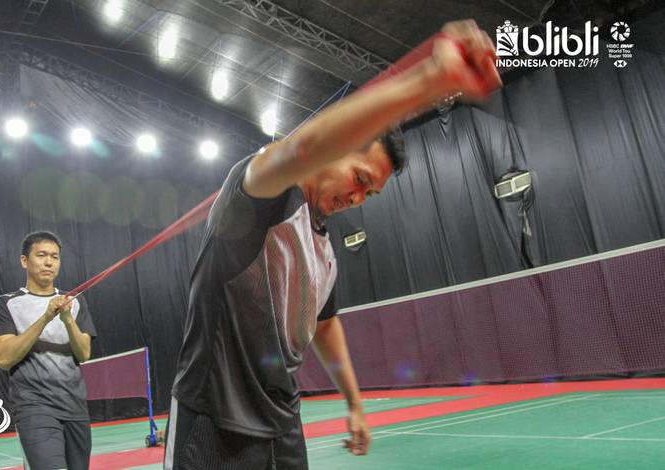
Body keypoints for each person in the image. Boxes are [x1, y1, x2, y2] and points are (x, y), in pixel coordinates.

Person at [166, 20, 501, 469]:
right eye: (360, 179)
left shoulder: (323, 249)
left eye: (370, 195)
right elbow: (301, 152)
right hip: (214, 424)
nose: (357, 198)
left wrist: (355, 403)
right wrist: (425, 83)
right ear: (339, 149)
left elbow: (325, 326)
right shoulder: (258, 198)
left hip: (283, 426)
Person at [0, 231, 98, 470]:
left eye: (55, 257)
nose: (49, 262)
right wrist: (46, 317)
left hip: (75, 407)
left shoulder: (75, 302)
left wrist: (68, 320)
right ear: (24, 261)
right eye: (41, 255)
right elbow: (5, 358)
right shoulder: (6, 304)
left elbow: (84, 354)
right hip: (34, 408)